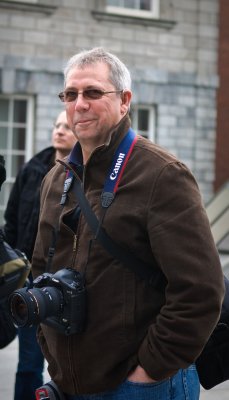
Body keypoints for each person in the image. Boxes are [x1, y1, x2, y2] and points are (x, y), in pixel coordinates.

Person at [31, 47, 224, 400]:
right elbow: (42, 266)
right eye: (70, 94)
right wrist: (51, 349)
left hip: (140, 384)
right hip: (69, 381)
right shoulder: (56, 180)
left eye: (92, 92)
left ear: (124, 101)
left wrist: (149, 370)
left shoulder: (162, 175)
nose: (80, 104)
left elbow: (200, 290)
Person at [4, 110, 77, 400]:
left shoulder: (85, 174)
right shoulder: (32, 169)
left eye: (67, 126)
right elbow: (11, 222)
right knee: (28, 363)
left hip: (66, 284)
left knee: (69, 364)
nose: (59, 130)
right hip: (28, 281)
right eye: (57, 125)